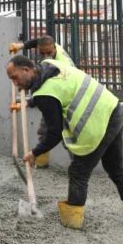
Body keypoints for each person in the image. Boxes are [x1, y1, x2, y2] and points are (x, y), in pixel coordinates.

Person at [6, 55, 123, 230]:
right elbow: (61, 91)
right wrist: (30, 102)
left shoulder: (45, 94)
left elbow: (54, 133)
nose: (15, 83)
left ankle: (72, 223)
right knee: (116, 168)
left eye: (15, 77)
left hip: (98, 124)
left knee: (78, 172)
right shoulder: (50, 65)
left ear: (26, 70)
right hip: (113, 110)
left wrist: (35, 153)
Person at [9, 35, 74, 168]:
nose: (46, 57)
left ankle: (78, 164)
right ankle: (41, 163)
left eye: (49, 53)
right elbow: (37, 42)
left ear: (55, 48)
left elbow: (47, 92)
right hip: (55, 97)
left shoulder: (60, 65)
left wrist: (26, 103)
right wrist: (20, 46)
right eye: (42, 53)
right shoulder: (51, 48)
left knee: (67, 135)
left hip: (68, 99)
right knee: (45, 130)